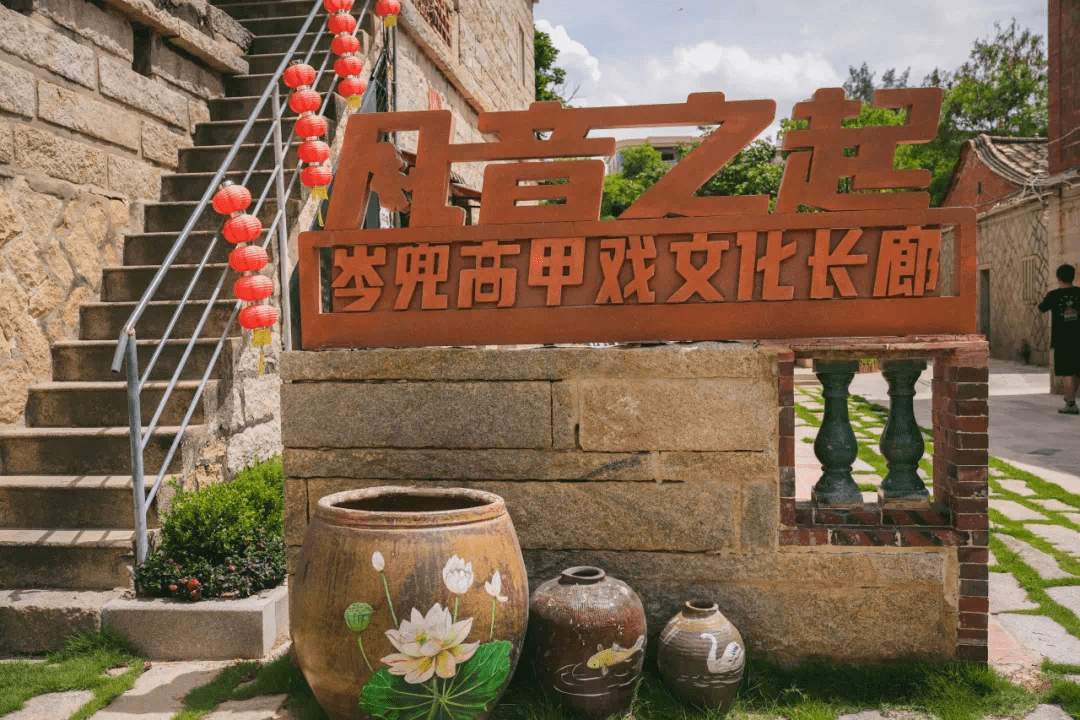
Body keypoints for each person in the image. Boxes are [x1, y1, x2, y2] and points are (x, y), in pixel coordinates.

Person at [1038, 264, 1080, 414]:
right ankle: (1070, 397)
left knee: (1067, 371)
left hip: (1061, 338)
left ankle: (1070, 403)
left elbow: (1040, 309)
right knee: (1076, 370)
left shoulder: (1053, 295)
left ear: (1058, 278)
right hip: (1078, 337)